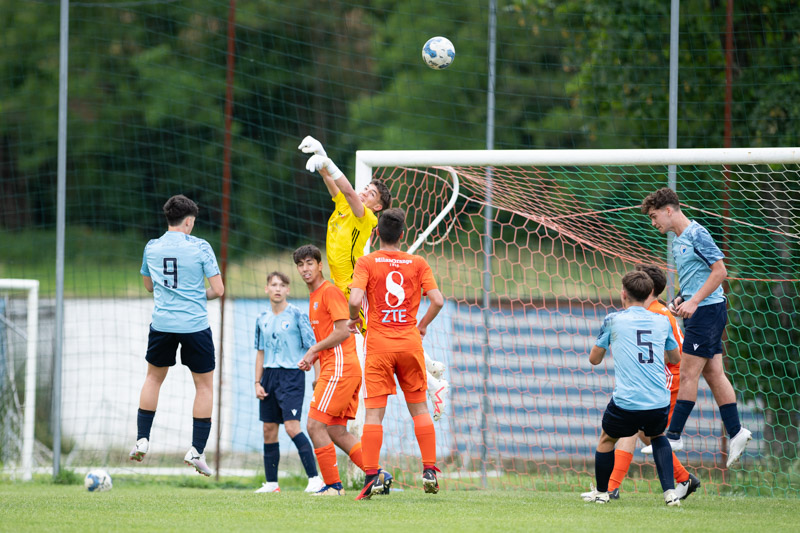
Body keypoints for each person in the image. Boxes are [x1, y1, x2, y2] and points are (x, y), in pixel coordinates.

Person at [298, 136, 450, 421]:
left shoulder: (364, 216)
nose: (364, 193)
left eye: (371, 194)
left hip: (356, 289)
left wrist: (327, 161)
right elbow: (333, 183)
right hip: (344, 288)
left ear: (377, 208)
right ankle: (430, 365)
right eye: (365, 189)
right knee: (384, 334)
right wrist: (321, 154)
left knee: (382, 337)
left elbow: (347, 189)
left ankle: (434, 385)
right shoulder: (344, 205)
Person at [642, 187, 752, 467]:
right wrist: (681, 299)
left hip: (707, 312)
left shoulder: (697, 234)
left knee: (688, 373)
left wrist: (695, 302)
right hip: (701, 311)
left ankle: (674, 435)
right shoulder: (678, 241)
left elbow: (720, 271)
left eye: (654, 216)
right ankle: (737, 431)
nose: (653, 223)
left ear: (669, 210)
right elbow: (695, 279)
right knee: (714, 374)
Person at [347, 208, 445, 500]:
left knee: (374, 414)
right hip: (409, 344)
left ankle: (371, 477)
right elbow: (438, 300)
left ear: (377, 233)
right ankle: (429, 470)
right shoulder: (418, 263)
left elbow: (354, 299)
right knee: (420, 409)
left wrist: (353, 319)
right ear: (403, 234)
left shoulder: (366, 262)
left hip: (379, 346)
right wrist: (422, 325)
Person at [129, 195, 224, 476]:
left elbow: (149, 286)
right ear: (189, 221)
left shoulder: (152, 247)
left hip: (162, 325)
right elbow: (219, 290)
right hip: (194, 326)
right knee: (204, 387)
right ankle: (196, 451)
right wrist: (196, 296)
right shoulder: (201, 247)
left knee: (153, 379)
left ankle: (142, 439)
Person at [595, 264, 700, 501]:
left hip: (668, 377)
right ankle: (681, 479)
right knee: (641, 430)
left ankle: (610, 488)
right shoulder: (654, 311)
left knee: (638, 428)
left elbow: (674, 354)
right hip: (658, 379)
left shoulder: (656, 314)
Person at [293, 244, 392, 496]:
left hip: (340, 368)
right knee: (335, 430)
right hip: (339, 368)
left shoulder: (329, 292)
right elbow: (329, 337)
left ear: (320, 265)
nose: (305, 269)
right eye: (300, 264)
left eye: (309, 263)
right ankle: (379, 475)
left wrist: (313, 350)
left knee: (314, 426)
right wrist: (316, 361)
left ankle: (334, 486)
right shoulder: (314, 296)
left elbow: (342, 331)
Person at [253, 271, 324, 494]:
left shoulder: (297, 315)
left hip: (292, 376)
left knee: (292, 427)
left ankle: (315, 479)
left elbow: (314, 348)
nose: (277, 289)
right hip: (269, 376)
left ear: (288, 290)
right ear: (267, 288)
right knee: (268, 429)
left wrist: (317, 377)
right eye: (273, 285)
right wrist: (257, 382)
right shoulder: (261, 318)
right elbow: (260, 352)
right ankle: (272, 484)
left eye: (282, 285)